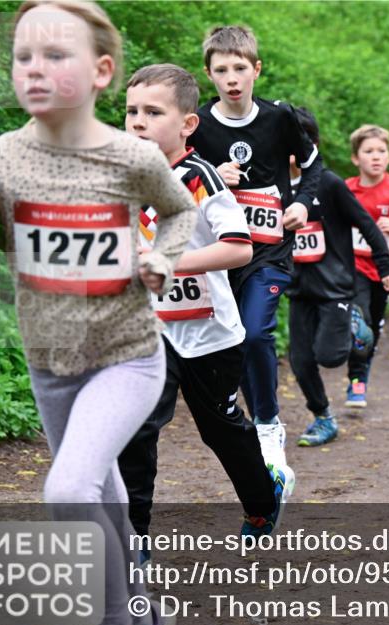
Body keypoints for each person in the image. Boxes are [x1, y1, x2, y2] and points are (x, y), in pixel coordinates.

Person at [0, 2, 196, 625]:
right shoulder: (0, 161)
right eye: (22, 56)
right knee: (101, 496)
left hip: (127, 357)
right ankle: (145, 616)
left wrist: (162, 258)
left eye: (56, 55)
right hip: (50, 366)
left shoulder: (132, 155)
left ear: (101, 71)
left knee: (67, 489)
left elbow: (180, 212)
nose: (34, 68)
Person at [117, 64, 287, 554]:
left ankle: (262, 501)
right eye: (132, 111)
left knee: (222, 432)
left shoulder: (200, 179)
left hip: (210, 335)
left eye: (153, 112)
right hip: (150, 332)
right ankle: (134, 540)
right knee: (138, 429)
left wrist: (168, 260)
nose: (139, 121)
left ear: (188, 124)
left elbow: (239, 248)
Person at [186, 25, 322, 482]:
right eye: (222, 70)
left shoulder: (280, 117)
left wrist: (303, 203)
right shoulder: (198, 125)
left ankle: (267, 424)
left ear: (256, 70)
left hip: (270, 251)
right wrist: (212, 174)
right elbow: (178, 177)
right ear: (209, 74)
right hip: (222, 253)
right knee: (235, 339)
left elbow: (314, 165)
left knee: (257, 331)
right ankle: (247, 422)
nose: (232, 78)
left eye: (240, 68)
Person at [287, 108, 389, 446]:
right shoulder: (273, 186)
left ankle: (354, 324)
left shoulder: (329, 183)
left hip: (334, 288)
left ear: (312, 145)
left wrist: (386, 267)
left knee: (331, 356)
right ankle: (323, 417)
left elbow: (367, 225)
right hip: (298, 288)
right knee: (300, 361)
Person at [344, 125, 389, 408]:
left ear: (388, 156)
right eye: (368, 151)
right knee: (360, 322)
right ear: (356, 158)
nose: (376, 156)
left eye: (381, 151)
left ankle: (360, 377)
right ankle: (356, 380)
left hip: (383, 270)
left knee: (372, 328)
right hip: (353, 267)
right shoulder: (346, 189)